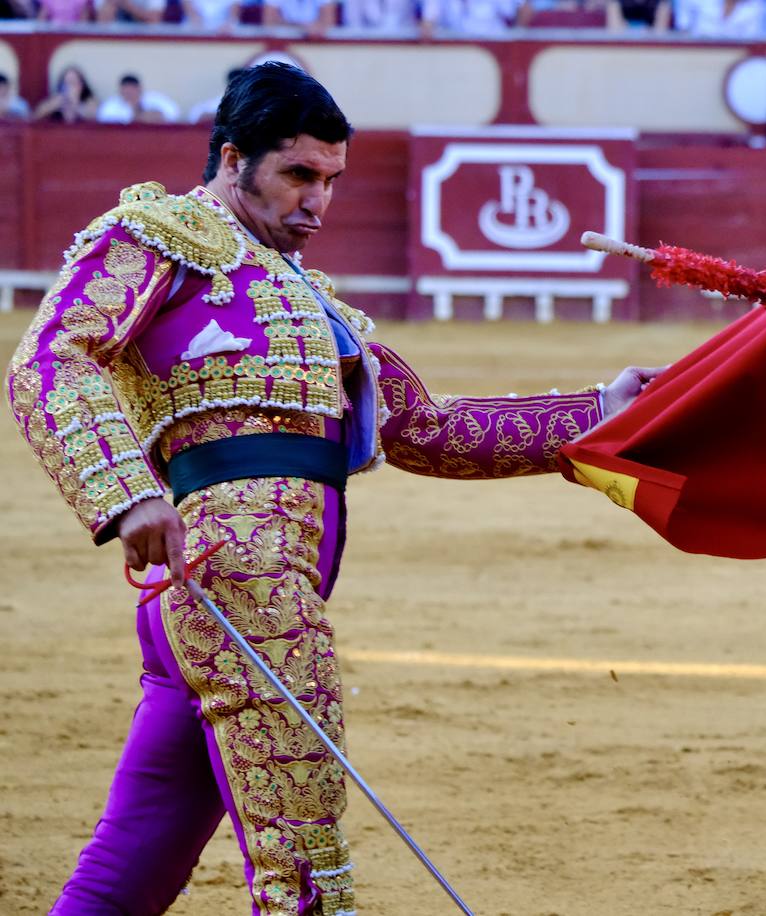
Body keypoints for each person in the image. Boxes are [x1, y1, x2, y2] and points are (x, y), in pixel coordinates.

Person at [6, 61, 660, 914]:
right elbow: (50, 356)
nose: (318, 202)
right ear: (234, 161)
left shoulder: (324, 313)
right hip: (243, 587)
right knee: (306, 862)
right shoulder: (157, 237)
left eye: (333, 180)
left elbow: (425, 428)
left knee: (141, 850)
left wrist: (596, 411)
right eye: (299, 176)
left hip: (235, 598)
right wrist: (126, 493)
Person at [96, 73, 181, 124]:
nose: (130, 93)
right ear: (120, 91)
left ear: (140, 88)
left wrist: (156, 115)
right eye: (126, 91)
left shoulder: (154, 98)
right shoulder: (112, 104)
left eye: (132, 89)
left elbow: (174, 113)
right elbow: (105, 119)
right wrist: (136, 117)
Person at [31, 65, 98, 123]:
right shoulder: (56, 100)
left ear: (81, 85)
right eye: (66, 83)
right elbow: (34, 116)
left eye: (73, 82)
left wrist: (75, 104)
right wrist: (54, 104)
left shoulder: (89, 100)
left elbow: (96, 116)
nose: (69, 87)